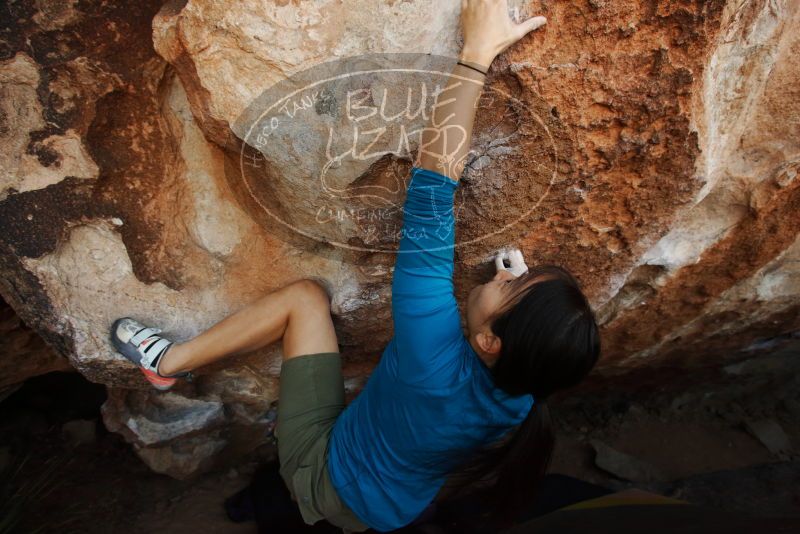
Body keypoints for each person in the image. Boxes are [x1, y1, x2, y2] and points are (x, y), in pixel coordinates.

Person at [110, 1, 601, 532]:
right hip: (395, 507)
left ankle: (165, 363)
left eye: (514, 286)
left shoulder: (430, 350)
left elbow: (433, 189)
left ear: (490, 343)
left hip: (326, 477)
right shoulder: (524, 397)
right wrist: (514, 295)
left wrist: (476, 54)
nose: (506, 273)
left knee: (304, 298)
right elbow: (522, 338)